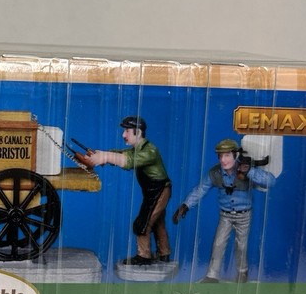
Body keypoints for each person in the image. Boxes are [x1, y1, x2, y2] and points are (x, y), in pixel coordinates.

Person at [173, 138, 277, 283]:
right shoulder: (215, 173)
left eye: (227, 155)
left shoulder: (245, 169)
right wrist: (186, 205)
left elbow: (271, 181)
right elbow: (201, 189)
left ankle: (242, 273)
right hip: (225, 215)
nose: (223, 160)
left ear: (235, 155)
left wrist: (250, 171)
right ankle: (212, 275)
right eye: (220, 156)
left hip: (244, 215)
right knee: (218, 243)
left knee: (241, 246)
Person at [84, 116, 172, 265]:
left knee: (143, 223)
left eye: (127, 131)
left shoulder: (150, 151)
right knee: (157, 222)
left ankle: (144, 256)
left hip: (159, 191)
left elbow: (129, 161)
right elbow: (123, 154)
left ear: (138, 132)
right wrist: (101, 154)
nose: (123, 135)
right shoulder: (138, 149)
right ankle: (164, 253)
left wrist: (105, 157)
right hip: (153, 191)